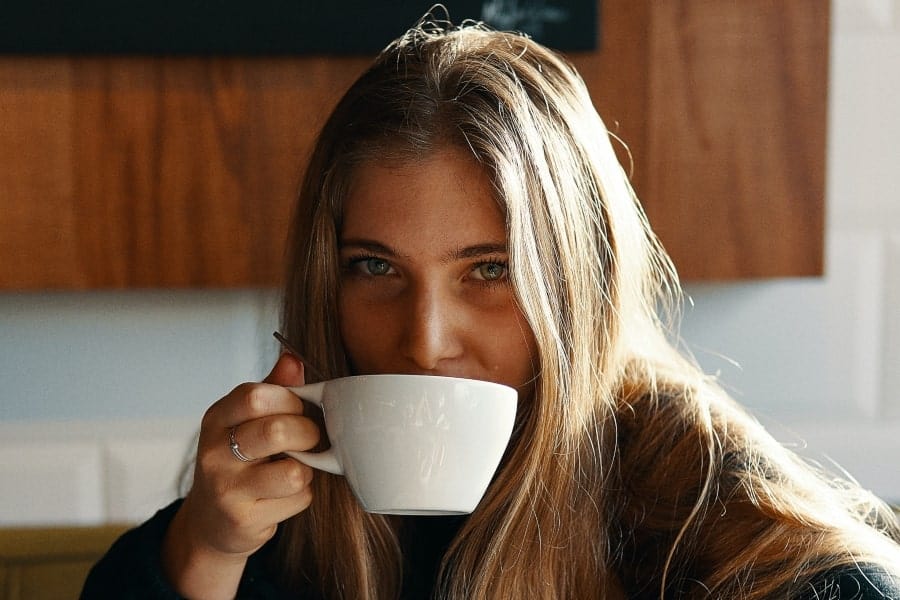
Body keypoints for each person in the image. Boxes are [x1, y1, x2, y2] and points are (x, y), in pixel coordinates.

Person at [82, 16, 900, 600]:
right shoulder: (286, 522)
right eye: (375, 266)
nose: (425, 340)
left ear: (581, 282)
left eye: (490, 270)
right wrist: (203, 552)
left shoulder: (700, 518)